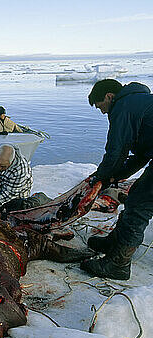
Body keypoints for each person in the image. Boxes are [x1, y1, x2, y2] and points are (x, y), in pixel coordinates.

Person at [80, 79, 153, 280]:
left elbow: (116, 151)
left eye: (101, 106)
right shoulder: (139, 102)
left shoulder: (123, 107)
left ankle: (118, 265)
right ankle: (115, 242)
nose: (103, 112)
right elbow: (141, 155)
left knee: (139, 206)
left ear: (109, 96)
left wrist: (100, 177)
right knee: (137, 195)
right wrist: (115, 176)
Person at [0, 143, 49, 215]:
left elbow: (8, 193)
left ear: (11, 162)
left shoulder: (20, 169)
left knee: (21, 210)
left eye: (3, 166)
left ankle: (39, 198)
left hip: (15, 194)